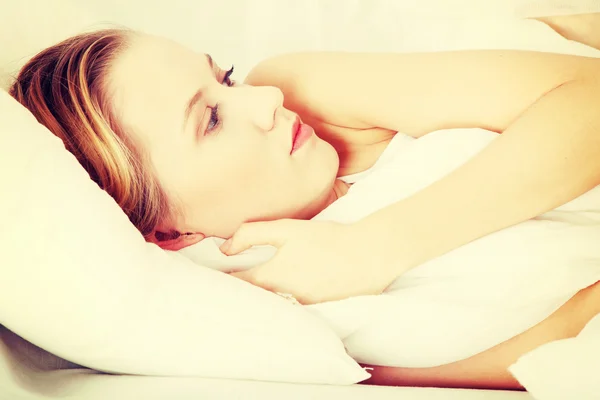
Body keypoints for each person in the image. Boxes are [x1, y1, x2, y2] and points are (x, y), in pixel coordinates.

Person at [9, 17, 600, 389]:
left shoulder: (307, 93)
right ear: (166, 234)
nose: (265, 99)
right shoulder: (274, 323)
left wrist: (376, 246)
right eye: (211, 119)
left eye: (228, 79)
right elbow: (552, 345)